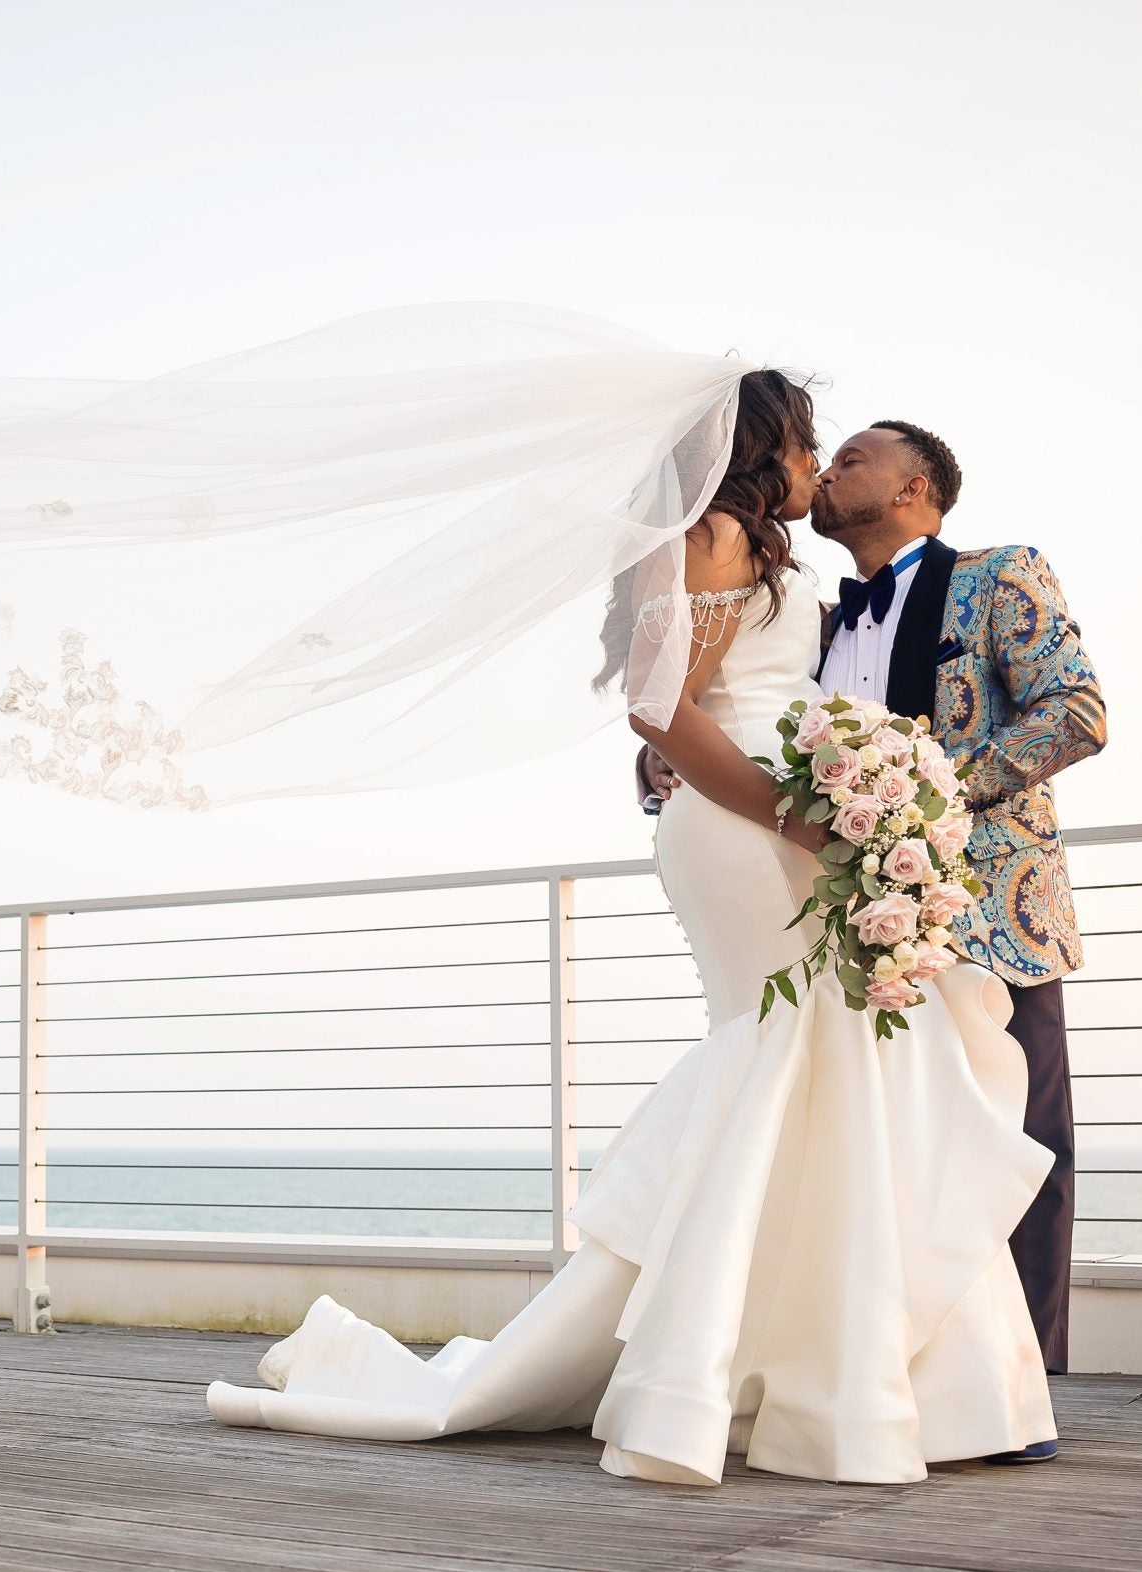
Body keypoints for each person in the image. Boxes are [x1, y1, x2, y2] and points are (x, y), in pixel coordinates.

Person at [210, 373, 1061, 1485]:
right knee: (796, 1049)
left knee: (821, 1061)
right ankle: (773, 1370)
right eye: (808, 446)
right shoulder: (711, 535)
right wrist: (799, 813)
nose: (815, 468)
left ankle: (804, 1358)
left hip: (777, 816)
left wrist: (844, 803)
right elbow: (661, 705)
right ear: (762, 448)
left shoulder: (758, 552)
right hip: (752, 826)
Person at [802, 420, 1108, 1461]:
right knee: (872, 1153)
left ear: (914, 484)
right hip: (852, 932)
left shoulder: (999, 574)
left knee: (1019, 1147)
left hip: (992, 914)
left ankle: (1018, 1393)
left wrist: (931, 792)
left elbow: (1076, 711)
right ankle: (896, 1366)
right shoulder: (811, 619)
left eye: (851, 455)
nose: (827, 468)